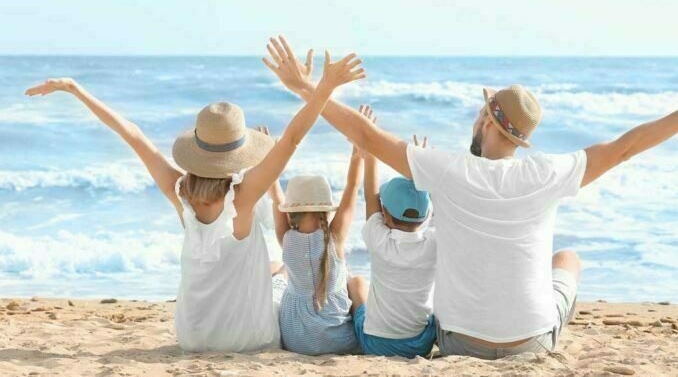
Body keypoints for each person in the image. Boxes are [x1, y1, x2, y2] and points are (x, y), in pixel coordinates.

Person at [262, 36, 678, 359]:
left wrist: (307, 87)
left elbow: (367, 136)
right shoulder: (547, 172)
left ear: (488, 121)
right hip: (532, 342)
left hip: (458, 344)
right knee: (568, 260)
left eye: (480, 114)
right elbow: (623, 148)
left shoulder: (447, 170)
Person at [25, 42, 366, 352]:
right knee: (282, 276)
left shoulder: (180, 194)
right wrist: (323, 87)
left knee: (276, 270)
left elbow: (132, 134)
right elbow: (291, 139)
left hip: (193, 337)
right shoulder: (243, 197)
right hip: (249, 338)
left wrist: (75, 89)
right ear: (238, 155)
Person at [354, 114, 438, 359]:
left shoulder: (379, 240)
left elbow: (370, 197)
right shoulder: (435, 243)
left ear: (385, 215)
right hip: (420, 344)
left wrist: (369, 155)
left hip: (375, 344)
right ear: (427, 216)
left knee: (357, 286)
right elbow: (441, 204)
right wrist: (425, 172)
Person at [271, 144, 366, 355]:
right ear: (325, 211)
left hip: (296, 341)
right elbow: (352, 187)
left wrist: (272, 158)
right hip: (340, 341)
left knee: (280, 272)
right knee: (354, 281)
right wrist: (357, 154)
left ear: (290, 211)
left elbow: (276, 197)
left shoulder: (286, 238)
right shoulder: (335, 237)